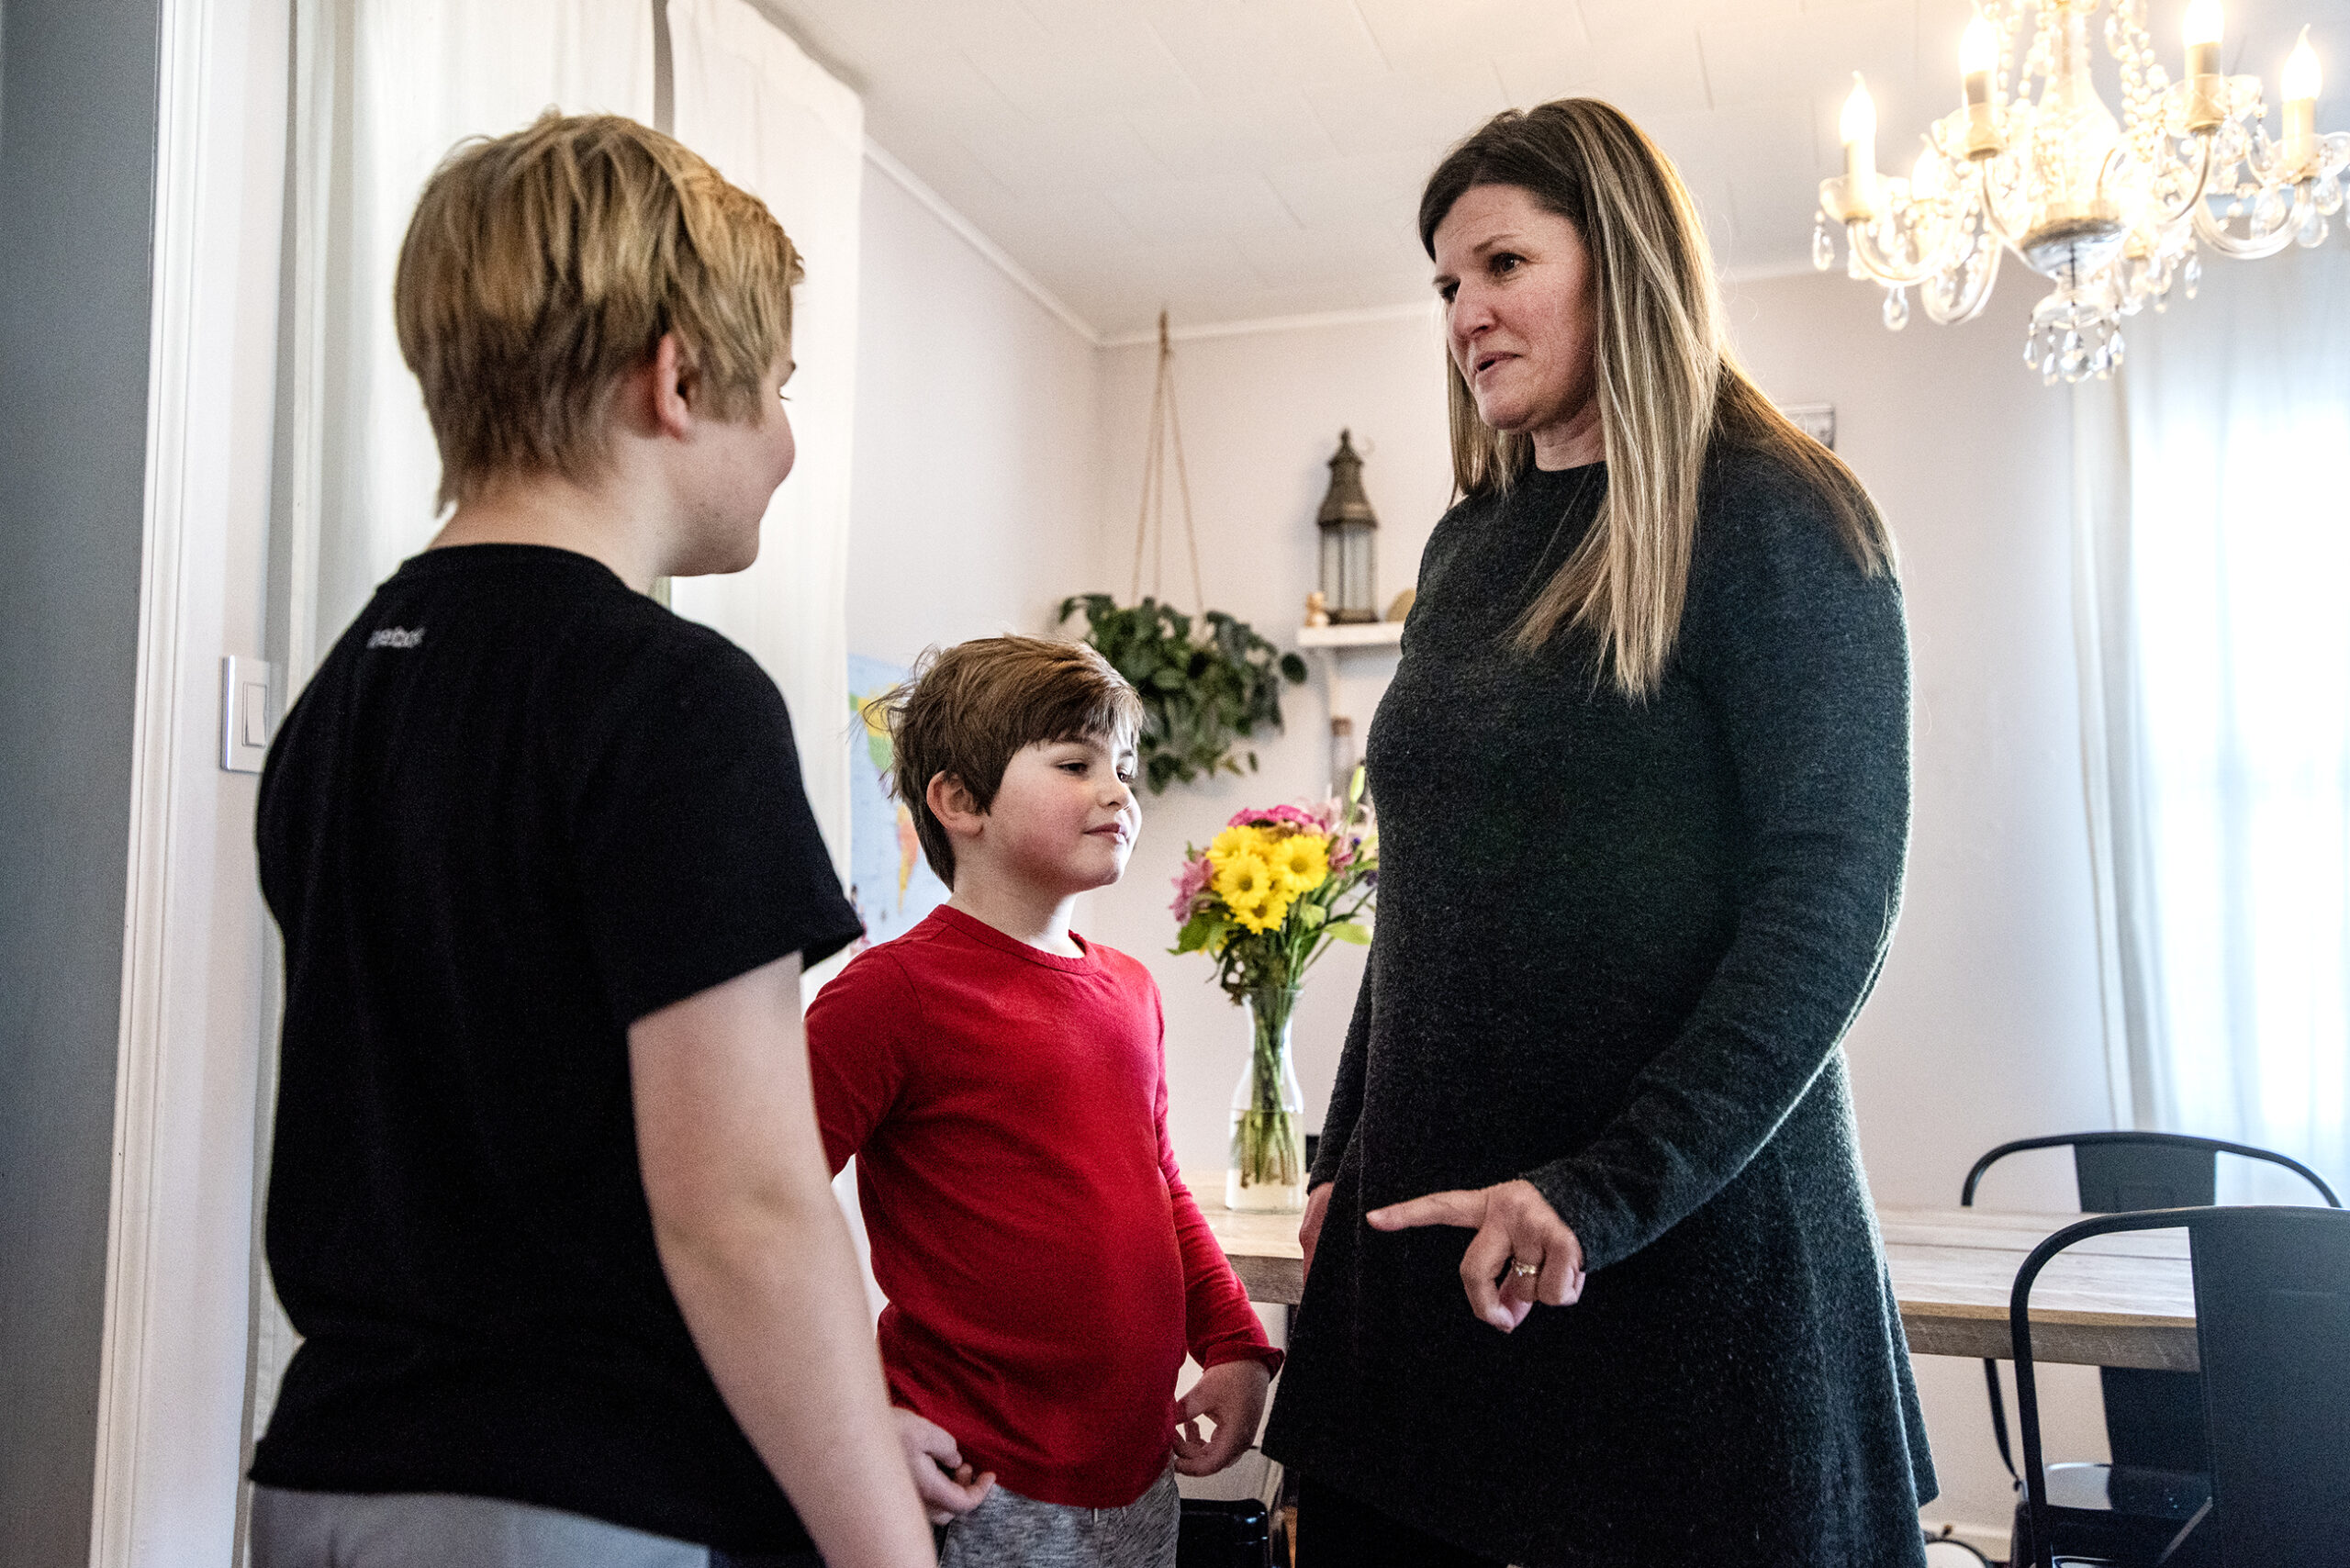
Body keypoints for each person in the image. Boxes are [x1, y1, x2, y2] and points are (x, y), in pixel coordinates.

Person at [249, 114, 937, 1568]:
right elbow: (742, 1209)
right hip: (580, 1502)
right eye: (785, 389)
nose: (794, 442)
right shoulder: (674, 699)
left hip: (329, 1475)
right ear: (679, 376)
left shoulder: (346, 691)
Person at [1260, 99, 1937, 1568]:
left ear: (1623, 259)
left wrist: (1604, 1192)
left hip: (1687, 1286)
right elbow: (1429, 896)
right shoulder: (1464, 541)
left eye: (1503, 264)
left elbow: (1832, 901)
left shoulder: (1776, 518)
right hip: (1424, 1292)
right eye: (1448, 285)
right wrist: (1344, 1149)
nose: (1467, 314)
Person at [806, 636, 1285, 1568]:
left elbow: (1158, 1186)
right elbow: (758, 1212)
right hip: (976, 1480)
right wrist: (857, 1417)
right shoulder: (890, 995)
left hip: (1137, 1478)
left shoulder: (1131, 988)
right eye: (1076, 763)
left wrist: (1232, 1340)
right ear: (958, 801)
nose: (1119, 791)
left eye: (1125, 767)